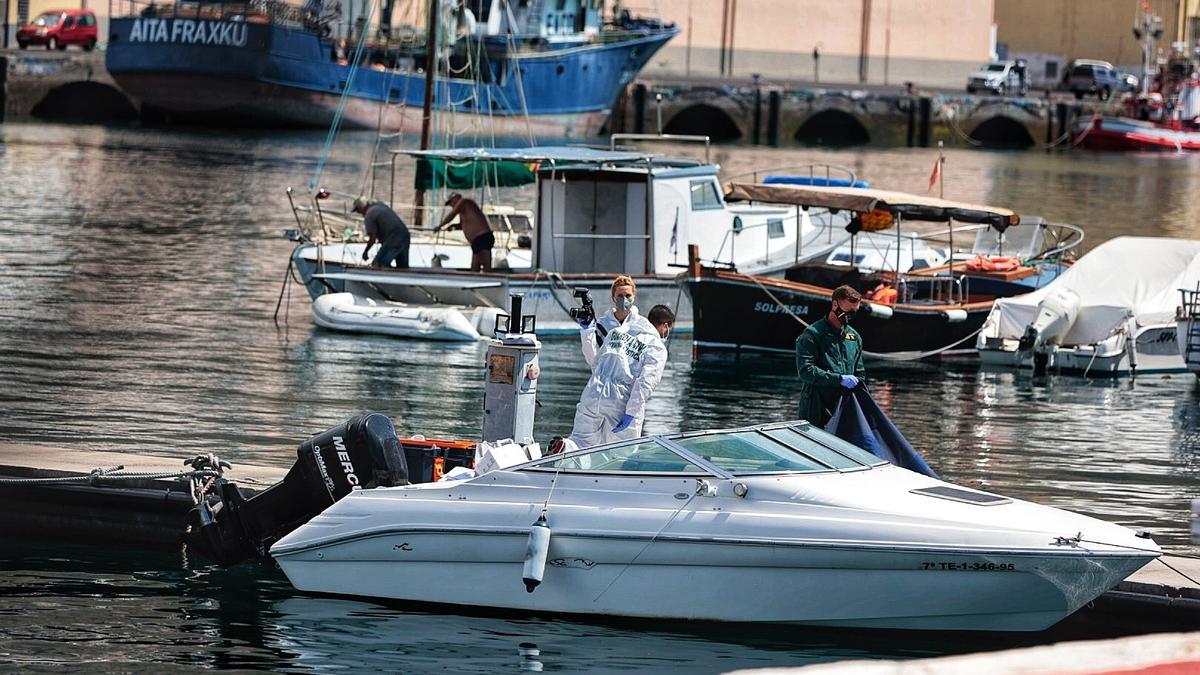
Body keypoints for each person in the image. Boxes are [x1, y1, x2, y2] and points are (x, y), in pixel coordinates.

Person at [565, 276, 673, 449]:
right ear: (613, 297)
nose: (624, 300)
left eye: (628, 296)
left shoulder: (625, 331)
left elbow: (597, 361)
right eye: (620, 296)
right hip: (615, 397)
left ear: (634, 296)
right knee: (620, 453)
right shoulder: (608, 327)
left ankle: (563, 447)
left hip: (600, 393)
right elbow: (646, 380)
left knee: (581, 443)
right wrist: (632, 412)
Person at [795, 285, 866, 427]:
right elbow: (806, 371)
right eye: (848, 311)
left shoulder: (854, 338)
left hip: (842, 410)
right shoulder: (813, 334)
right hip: (816, 409)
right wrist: (838, 379)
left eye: (855, 311)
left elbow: (860, 373)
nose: (851, 315)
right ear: (835, 305)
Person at [435, 192, 494, 272]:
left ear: (456, 198)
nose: (451, 206)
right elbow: (464, 224)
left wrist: (439, 226)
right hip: (477, 240)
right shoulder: (463, 211)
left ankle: (490, 279)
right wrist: (453, 227)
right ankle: (475, 279)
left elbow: (452, 215)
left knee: (486, 266)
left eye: (451, 203)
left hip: (482, 237)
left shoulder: (464, 202)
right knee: (475, 267)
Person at [354, 196, 410, 269]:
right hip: (405, 235)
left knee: (378, 264)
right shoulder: (380, 205)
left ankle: (382, 277)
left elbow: (372, 238)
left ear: (362, 207)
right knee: (402, 268)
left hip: (394, 237)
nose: (359, 213)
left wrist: (365, 252)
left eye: (358, 210)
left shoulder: (369, 214)